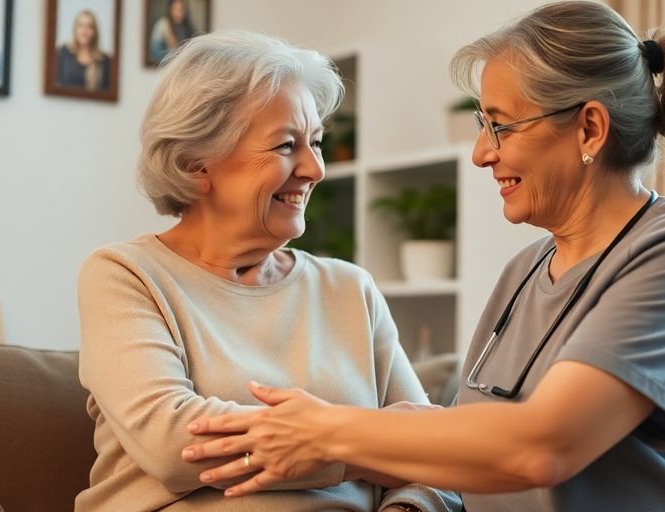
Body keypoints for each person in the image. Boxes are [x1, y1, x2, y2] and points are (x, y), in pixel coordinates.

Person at [180, 2, 665, 511]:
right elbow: (463, 446)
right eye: (483, 124)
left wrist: (327, 431)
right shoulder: (525, 271)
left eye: (501, 126)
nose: (482, 153)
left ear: (589, 129)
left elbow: (542, 446)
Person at [75, 29, 460, 512]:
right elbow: (174, 445)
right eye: (285, 146)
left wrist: (408, 506)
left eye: (315, 143)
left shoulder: (349, 289)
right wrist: (365, 443)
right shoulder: (125, 275)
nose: (314, 169)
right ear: (197, 163)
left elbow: (436, 453)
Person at [56, 10, 111, 90]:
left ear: (95, 31)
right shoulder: (64, 52)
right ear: (75, 29)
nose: (84, 31)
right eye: (81, 26)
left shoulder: (104, 60)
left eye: (89, 27)